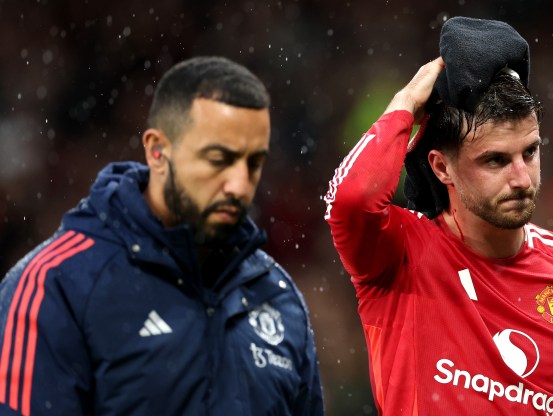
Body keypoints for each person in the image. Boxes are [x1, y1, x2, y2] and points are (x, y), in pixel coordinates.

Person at [324, 17, 553, 415]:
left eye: (529, 153)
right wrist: (407, 104)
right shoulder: (398, 254)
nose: (521, 178)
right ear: (441, 167)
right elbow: (351, 199)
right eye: (496, 160)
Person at [0, 56, 324, 415]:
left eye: (254, 163)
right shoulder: (57, 285)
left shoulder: (279, 297)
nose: (240, 184)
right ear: (157, 152)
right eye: (219, 159)